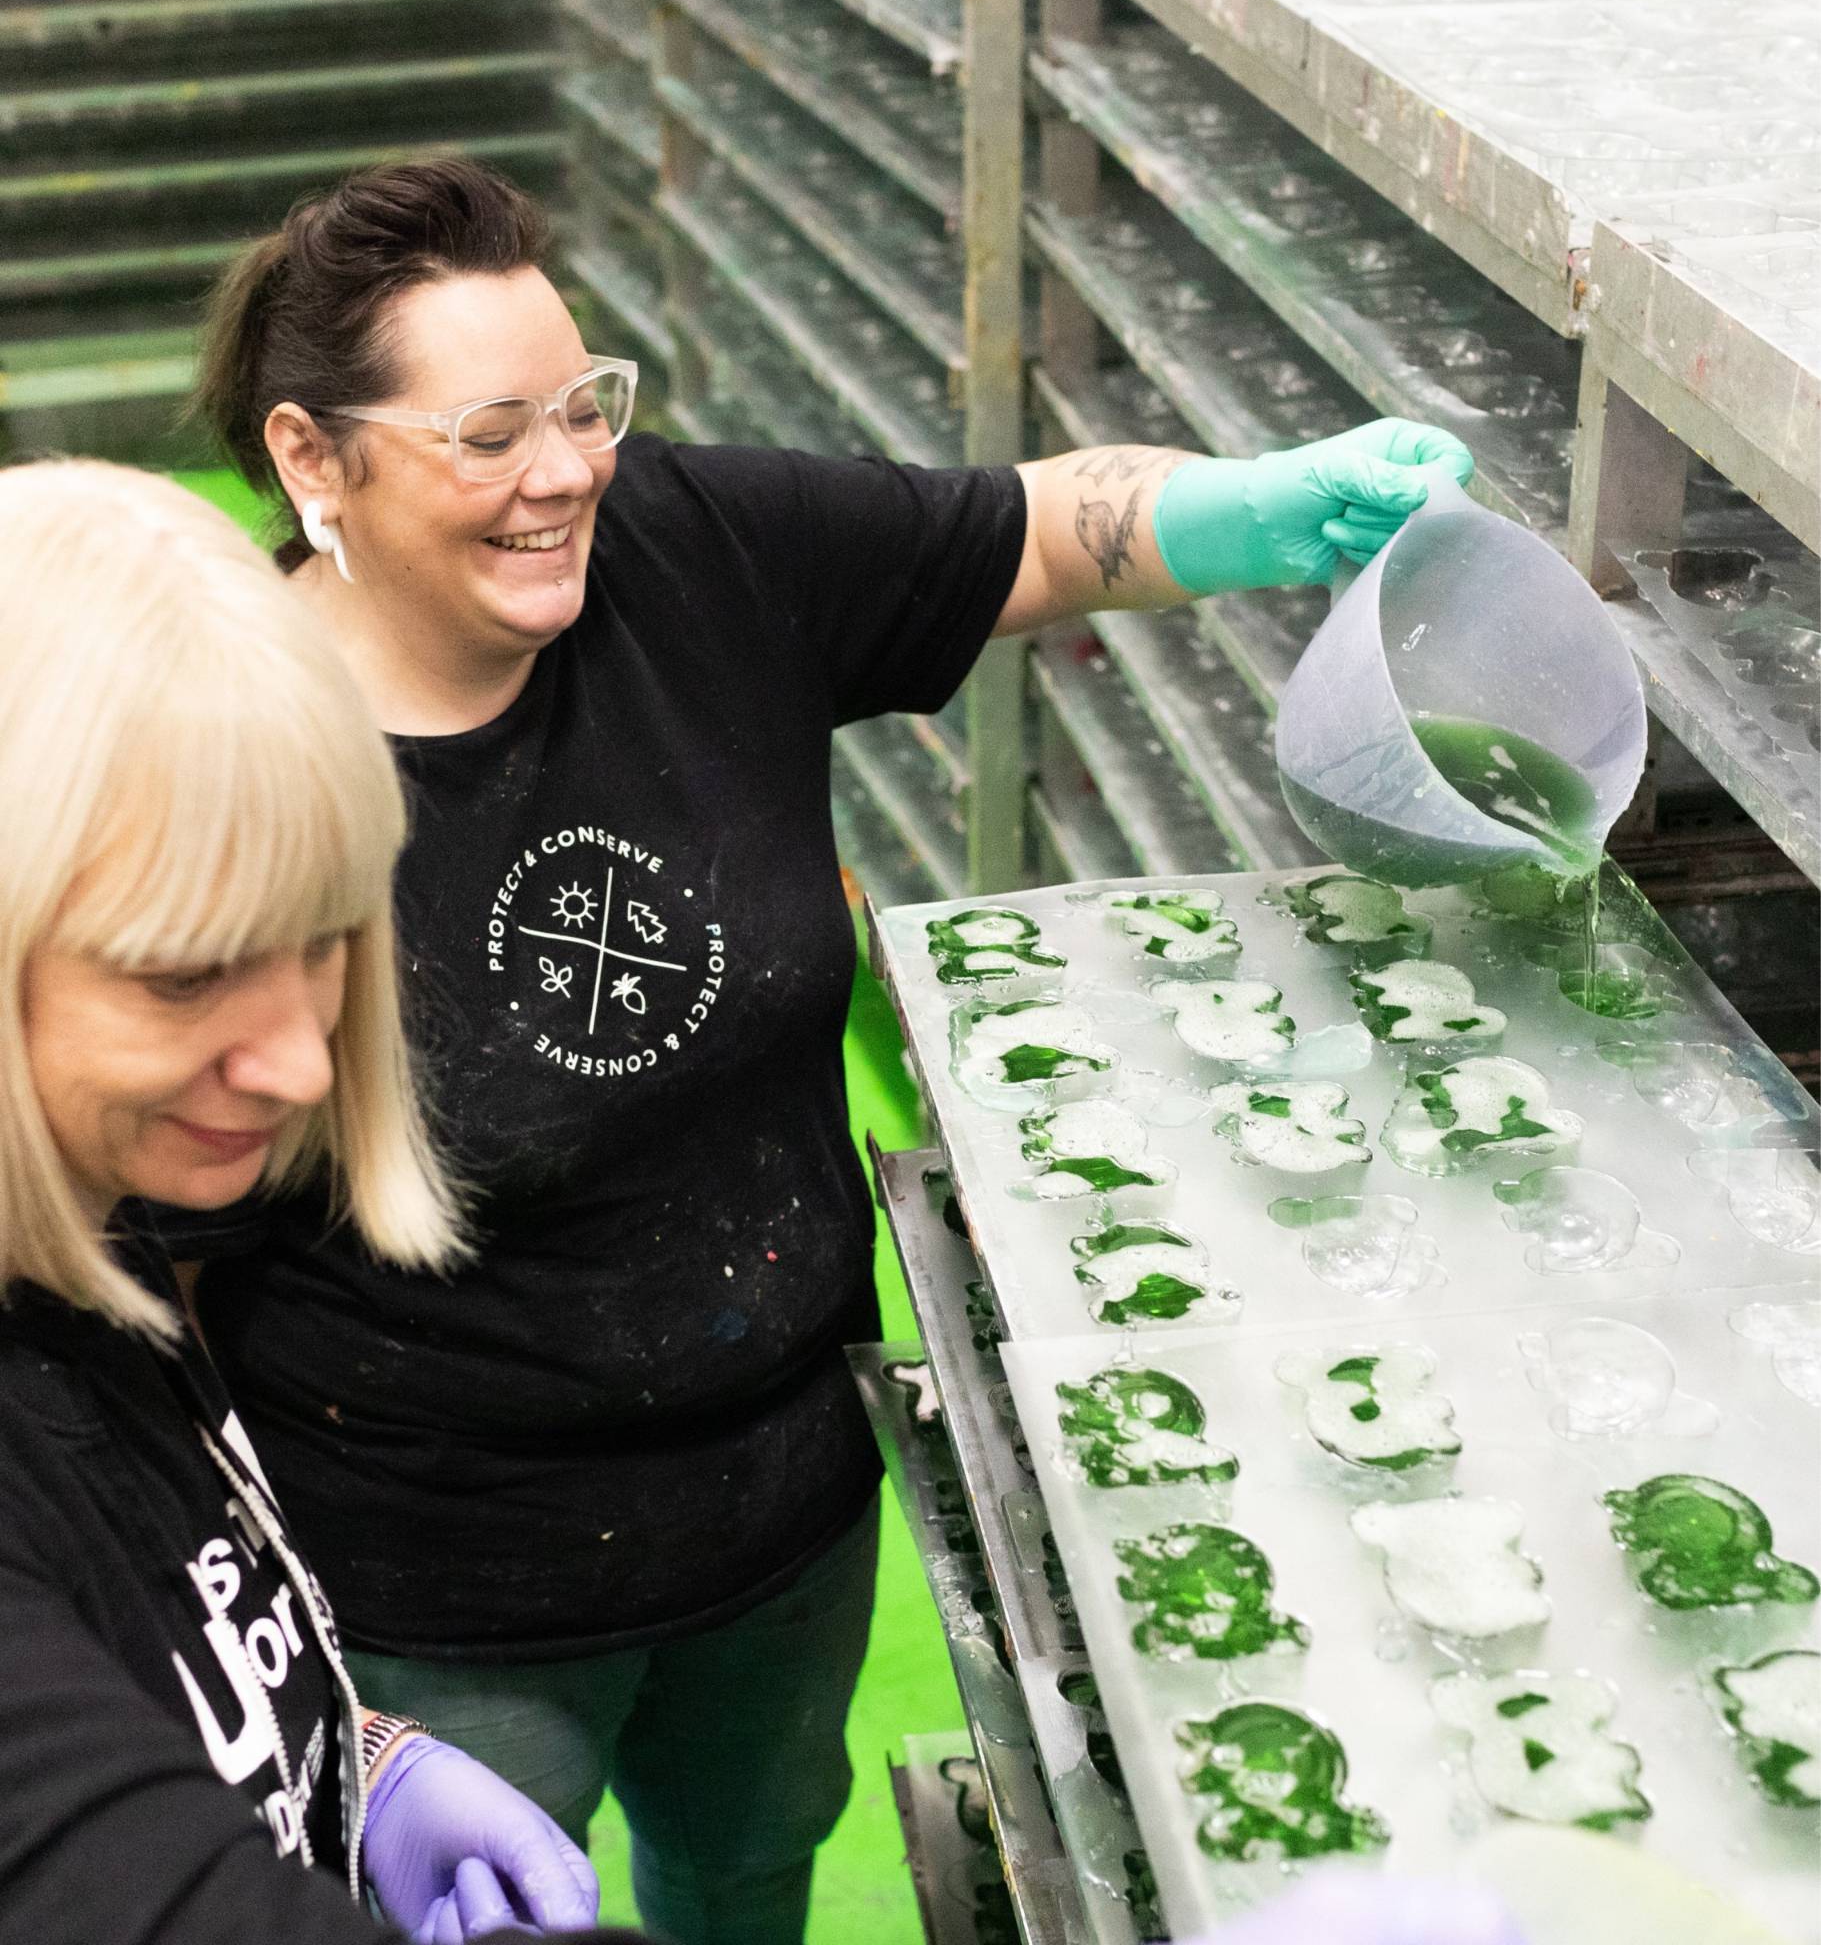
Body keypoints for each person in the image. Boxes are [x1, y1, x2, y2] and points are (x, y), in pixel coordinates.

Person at [174, 156, 1477, 1945]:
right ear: (317, 457)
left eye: (584, 407)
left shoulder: (694, 553)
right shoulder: (227, 781)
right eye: (488, 434)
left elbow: (1020, 529)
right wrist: (373, 1737)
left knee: (745, 1860)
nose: (562, 472)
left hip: (782, 1495)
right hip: (441, 1580)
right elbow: (130, 1295)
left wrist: (1262, 512)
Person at [0, 460, 644, 1945]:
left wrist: (357, 1759)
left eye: (323, 939)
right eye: (182, 974)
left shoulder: (89, 1203)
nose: (296, 1062)